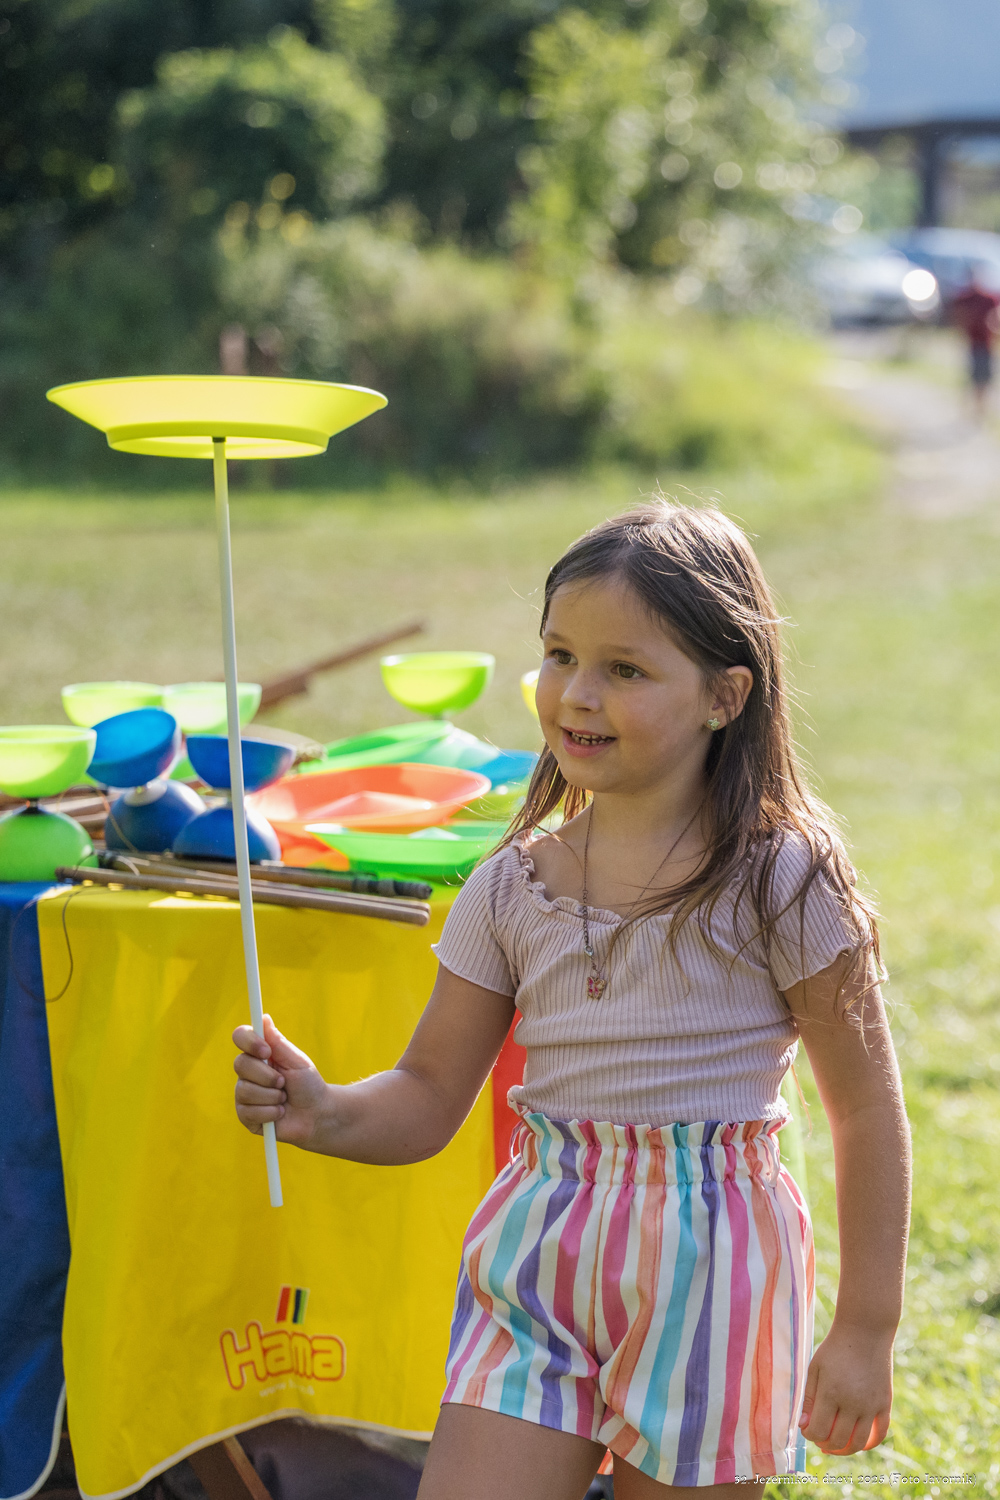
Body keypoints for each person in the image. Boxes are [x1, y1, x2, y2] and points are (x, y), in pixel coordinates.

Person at [233, 501, 911, 1500]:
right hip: (539, 1250)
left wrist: (864, 1328)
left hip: (714, 1268)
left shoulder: (782, 880)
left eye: (624, 669)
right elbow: (426, 1093)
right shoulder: (510, 887)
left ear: (724, 696)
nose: (577, 694)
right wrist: (323, 1109)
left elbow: (867, 1112)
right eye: (559, 655)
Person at [950, 264, 1000, 421]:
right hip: (972, 344)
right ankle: (970, 409)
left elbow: (995, 318)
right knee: (972, 377)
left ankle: (980, 409)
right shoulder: (964, 299)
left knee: (984, 378)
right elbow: (958, 318)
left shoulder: (989, 298)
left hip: (986, 343)